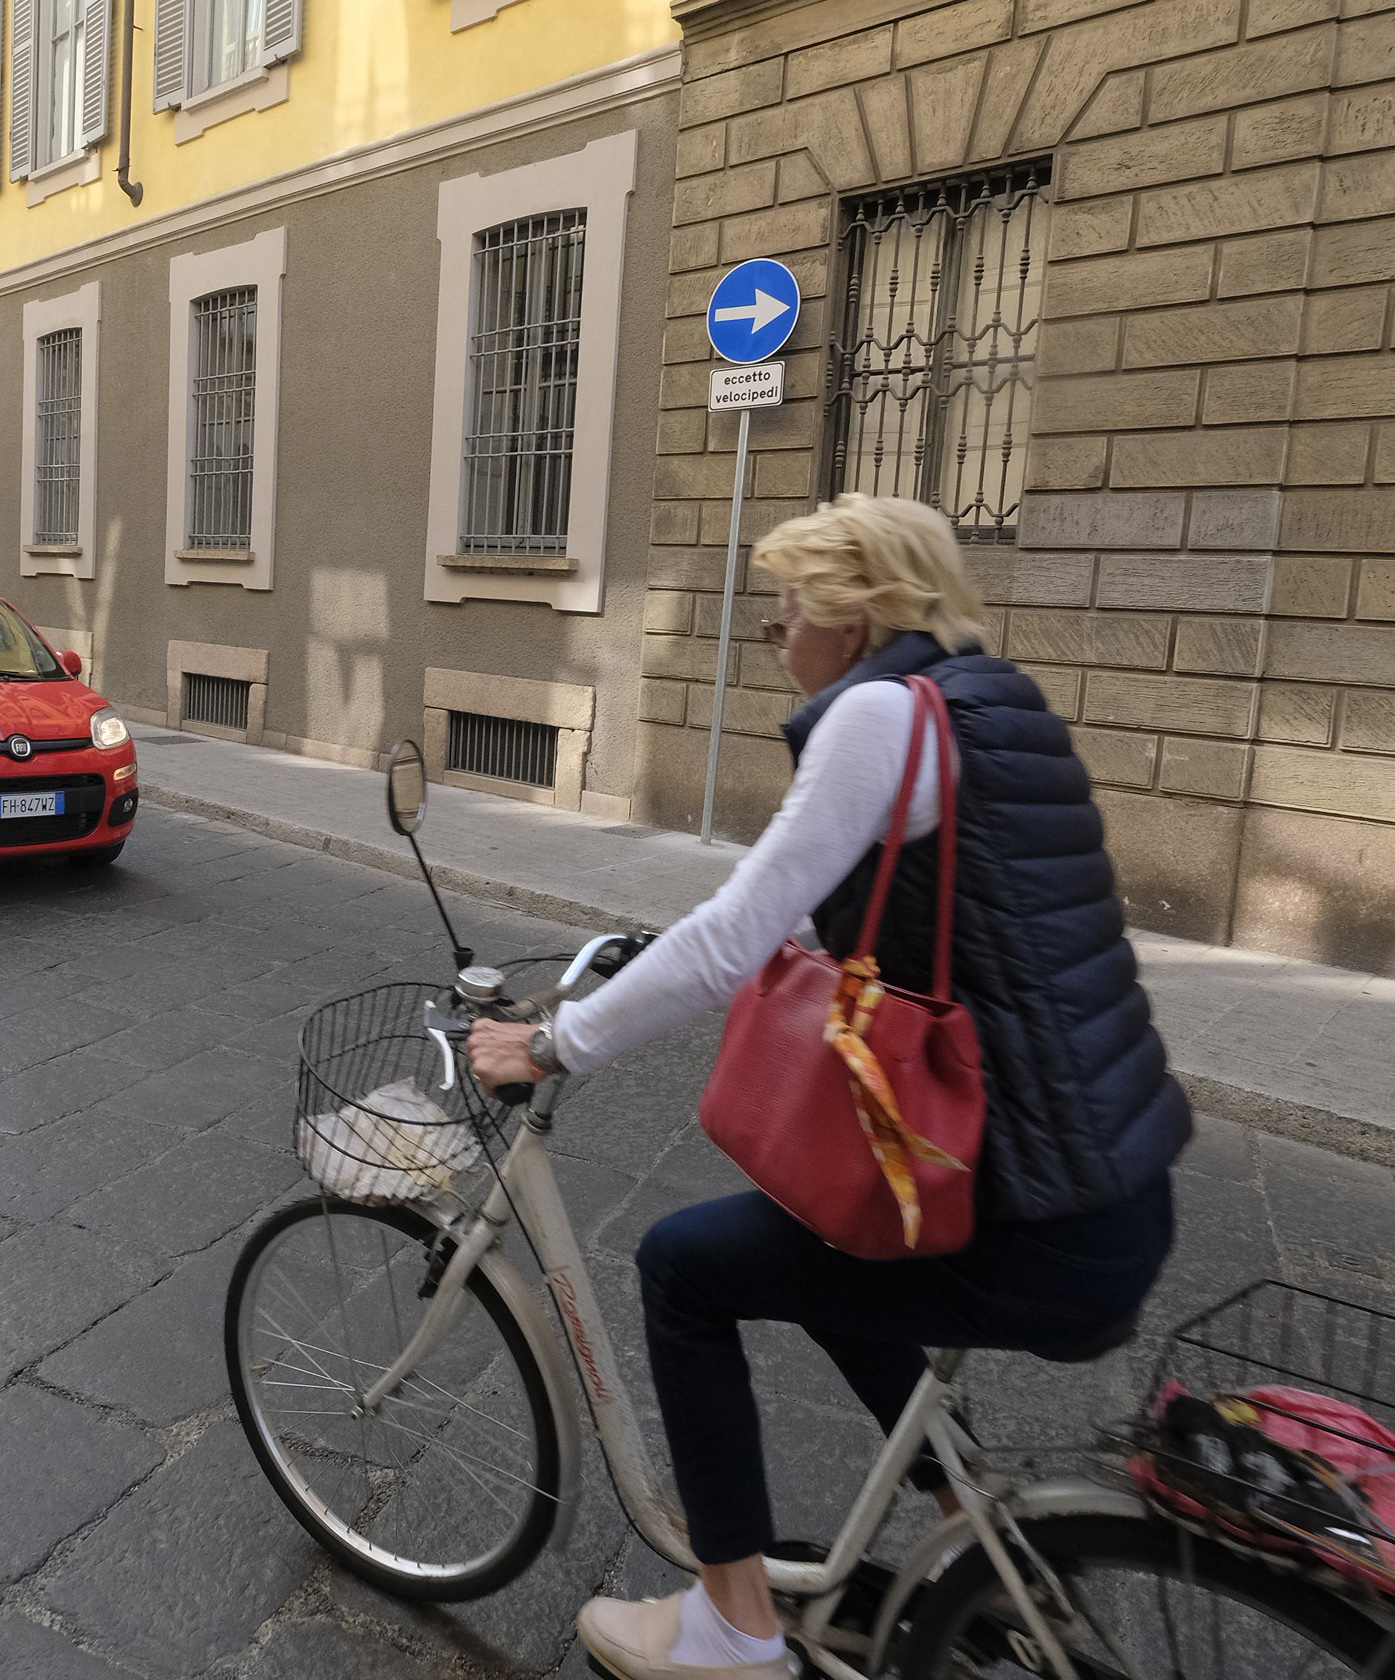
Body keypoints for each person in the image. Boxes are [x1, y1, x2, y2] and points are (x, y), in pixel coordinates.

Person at [468, 495, 1190, 1680]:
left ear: (851, 619)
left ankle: (733, 1630)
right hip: (1109, 1185)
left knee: (684, 1269)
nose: (777, 641)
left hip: (1031, 1211)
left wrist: (552, 1046)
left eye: (786, 614)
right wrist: (632, 969)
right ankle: (976, 1531)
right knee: (825, 1235)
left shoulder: (876, 717)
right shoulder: (992, 705)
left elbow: (740, 937)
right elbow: (825, 907)